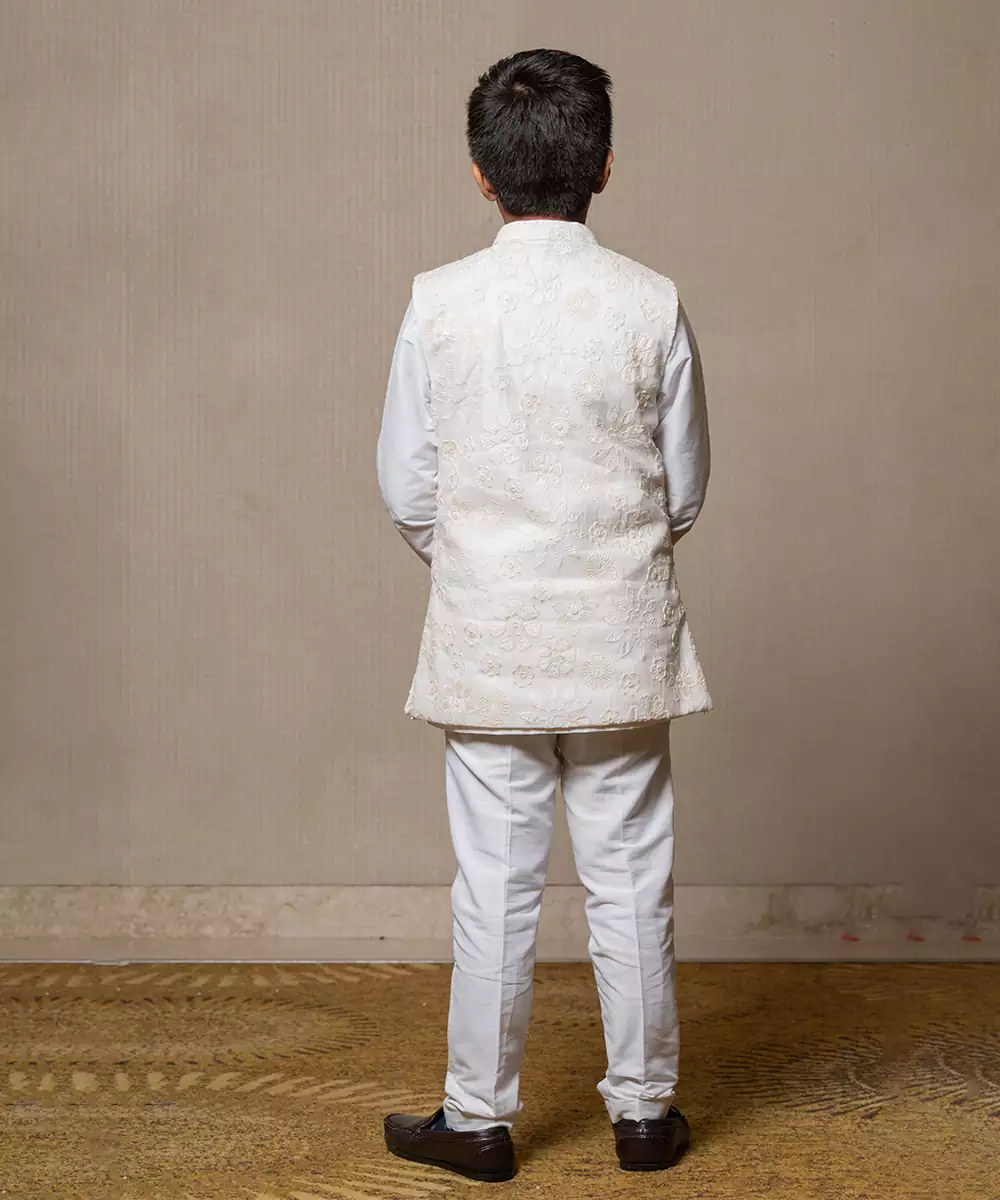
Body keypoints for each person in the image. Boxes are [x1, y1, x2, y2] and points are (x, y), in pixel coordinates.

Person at [375, 47, 712, 1183]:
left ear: (481, 173)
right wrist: (603, 558)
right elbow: (682, 487)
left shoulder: (438, 302)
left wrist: (483, 561)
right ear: (603, 166)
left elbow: (407, 488)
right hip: (620, 636)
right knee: (632, 881)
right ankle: (645, 1117)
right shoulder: (651, 300)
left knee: (494, 887)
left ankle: (477, 1120)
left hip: (490, 639)